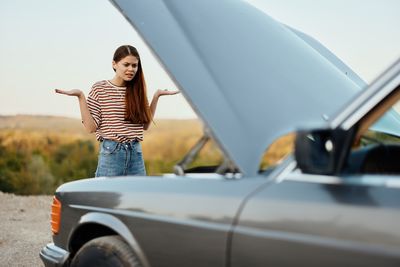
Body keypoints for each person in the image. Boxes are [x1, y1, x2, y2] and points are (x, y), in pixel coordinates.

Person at [55, 45, 179, 177]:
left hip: (136, 153)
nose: (131, 69)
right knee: (107, 196)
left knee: (137, 196)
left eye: (134, 65)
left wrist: (156, 96)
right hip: (112, 153)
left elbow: (145, 125)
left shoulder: (138, 91)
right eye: (126, 64)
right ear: (114, 64)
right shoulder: (100, 88)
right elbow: (91, 128)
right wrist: (81, 97)